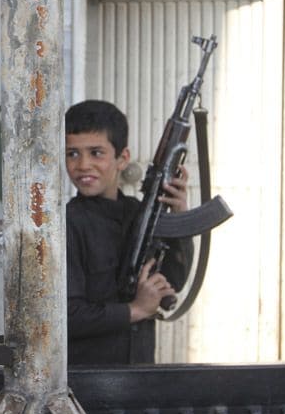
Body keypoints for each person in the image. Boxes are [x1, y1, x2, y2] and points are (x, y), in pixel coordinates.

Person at [64, 99, 193, 365]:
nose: (83, 165)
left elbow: (174, 281)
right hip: (87, 380)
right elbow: (65, 315)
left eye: (96, 152)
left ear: (122, 158)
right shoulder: (67, 223)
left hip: (140, 370)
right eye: (72, 153)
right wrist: (134, 310)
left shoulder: (139, 213)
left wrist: (180, 213)